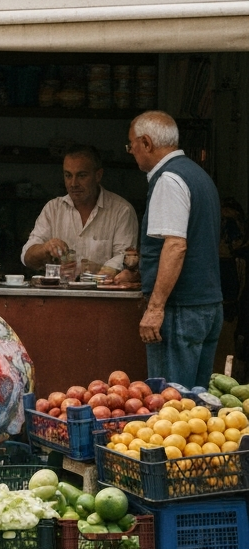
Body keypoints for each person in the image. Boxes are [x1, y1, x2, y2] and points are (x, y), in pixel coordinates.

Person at [113, 111, 222, 388]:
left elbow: (176, 246)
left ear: (146, 143)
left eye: (131, 145)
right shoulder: (198, 176)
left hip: (180, 310)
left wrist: (155, 308)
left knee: (170, 405)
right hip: (206, 306)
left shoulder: (168, 180)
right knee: (195, 405)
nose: (131, 152)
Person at [21, 144, 139, 278]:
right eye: (68, 175)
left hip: (103, 295)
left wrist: (93, 270)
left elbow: (126, 259)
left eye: (81, 176)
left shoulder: (122, 211)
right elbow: (27, 257)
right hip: (60, 296)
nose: (73, 183)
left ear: (98, 175)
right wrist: (45, 248)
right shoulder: (53, 209)